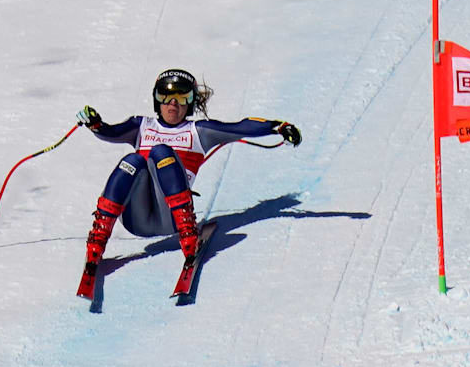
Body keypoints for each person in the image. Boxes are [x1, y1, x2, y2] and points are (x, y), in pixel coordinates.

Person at [74, 68, 301, 292]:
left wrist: (278, 127)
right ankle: (97, 241)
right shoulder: (141, 126)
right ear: (157, 100)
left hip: (170, 217)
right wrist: (96, 124)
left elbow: (240, 126)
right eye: (166, 96)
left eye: (182, 97)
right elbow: (110, 132)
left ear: (190, 103)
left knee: (162, 152)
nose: (173, 103)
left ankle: (189, 237)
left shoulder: (198, 131)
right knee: (132, 160)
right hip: (136, 218)